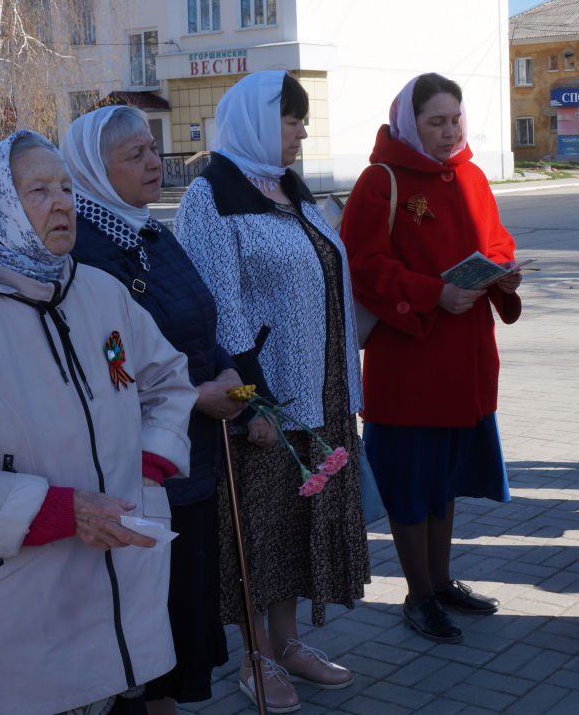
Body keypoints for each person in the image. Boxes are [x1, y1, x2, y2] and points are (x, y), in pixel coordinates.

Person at [0, 131, 195, 715]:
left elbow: (168, 379)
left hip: (120, 584)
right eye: (39, 190)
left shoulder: (99, 291)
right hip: (21, 603)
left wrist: (145, 468)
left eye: (67, 187)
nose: (64, 203)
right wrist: (57, 512)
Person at [176, 71, 368, 712]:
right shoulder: (212, 195)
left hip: (320, 393)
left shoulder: (288, 188)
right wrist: (251, 402)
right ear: (258, 122)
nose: (303, 132)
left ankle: (287, 644)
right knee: (255, 533)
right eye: (292, 119)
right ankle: (254, 655)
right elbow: (214, 307)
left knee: (294, 527)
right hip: (267, 403)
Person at [62, 106, 248, 714]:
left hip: (191, 455)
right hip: (140, 466)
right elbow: (106, 368)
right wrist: (199, 396)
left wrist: (228, 372)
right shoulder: (83, 252)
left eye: (151, 147)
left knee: (181, 610)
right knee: (147, 618)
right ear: (95, 169)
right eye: (135, 155)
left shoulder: (147, 228)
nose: (153, 162)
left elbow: (196, 315)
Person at [341, 73, 520, 645]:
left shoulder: (470, 174)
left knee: (444, 481)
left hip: (466, 361)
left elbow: (496, 241)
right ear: (408, 123)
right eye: (435, 121)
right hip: (410, 363)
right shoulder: (381, 180)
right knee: (411, 485)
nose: (449, 132)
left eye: (455, 119)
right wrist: (431, 292)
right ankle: (418, 596)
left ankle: (441, 583)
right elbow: (363, 265)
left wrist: (503, 269)